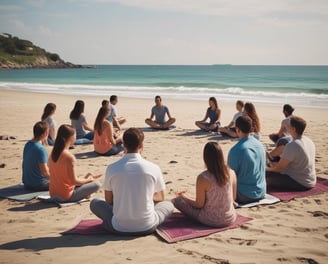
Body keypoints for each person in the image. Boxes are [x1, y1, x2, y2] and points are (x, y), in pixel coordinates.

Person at [90, 127, 174, 235]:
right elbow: (161, 197)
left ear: (123, 145)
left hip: (118, 227)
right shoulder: (153, 167)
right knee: (168, 205)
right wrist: (144, 196)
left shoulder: (112, 168)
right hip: (147, 226)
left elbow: (109, 200)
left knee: (95, 203)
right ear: (141, 145)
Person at [172, 142, 237, 227]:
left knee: (176, 201)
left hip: (210, 220)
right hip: (229, 218)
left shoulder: (203, 177)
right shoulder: (231, 173)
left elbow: (199, 204)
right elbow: (233, 198)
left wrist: (184, 197)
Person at [49, 124, 101, 202]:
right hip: (66, 195)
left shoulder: (53, 153)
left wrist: (85, 179)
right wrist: (89, 180)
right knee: (97, 184)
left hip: (53, 193)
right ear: (71, 137)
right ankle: (86, 192)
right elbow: (74, 181)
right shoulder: (69, 157)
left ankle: (86, 188)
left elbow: (68, 180)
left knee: (87, 178)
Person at [266, 116, 316, 191]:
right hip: (310, 179)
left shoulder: (293, 145)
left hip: (300, 182)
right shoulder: (308, 140)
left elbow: (280, 169)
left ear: (293, 129)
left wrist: (266, 169)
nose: (287, 127)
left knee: (263, 176)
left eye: (289, 125)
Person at [227, 116, 266, 204]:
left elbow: (228, 177)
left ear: (237, 129)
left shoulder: (236, 150)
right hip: (261, 191)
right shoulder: (260, 145)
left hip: (245, 195)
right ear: (251, 129)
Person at [22, 121, 50, 191]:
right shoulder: (40, 149)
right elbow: (45, 172)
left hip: (26, 183)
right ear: (44, 134)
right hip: (38, 184)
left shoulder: (28, 144)